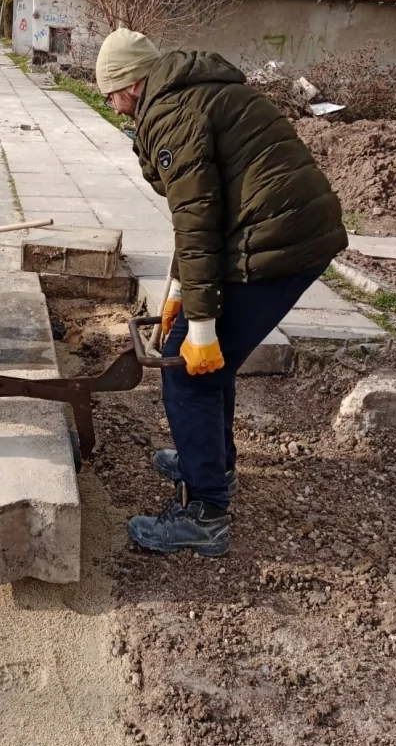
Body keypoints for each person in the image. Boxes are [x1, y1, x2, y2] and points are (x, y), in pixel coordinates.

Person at [96, 28, 348, 558]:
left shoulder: (170, 114)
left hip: (278, 241)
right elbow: (201, 210)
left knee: (187, 369)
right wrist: (179, 293)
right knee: (211, 365)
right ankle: (213, 464)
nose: (113, 108)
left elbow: (197, 222)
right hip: (288, 229)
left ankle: (205, 511)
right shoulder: (195, 91)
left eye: (111, 95)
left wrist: (202, 323)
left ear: (132, 84)